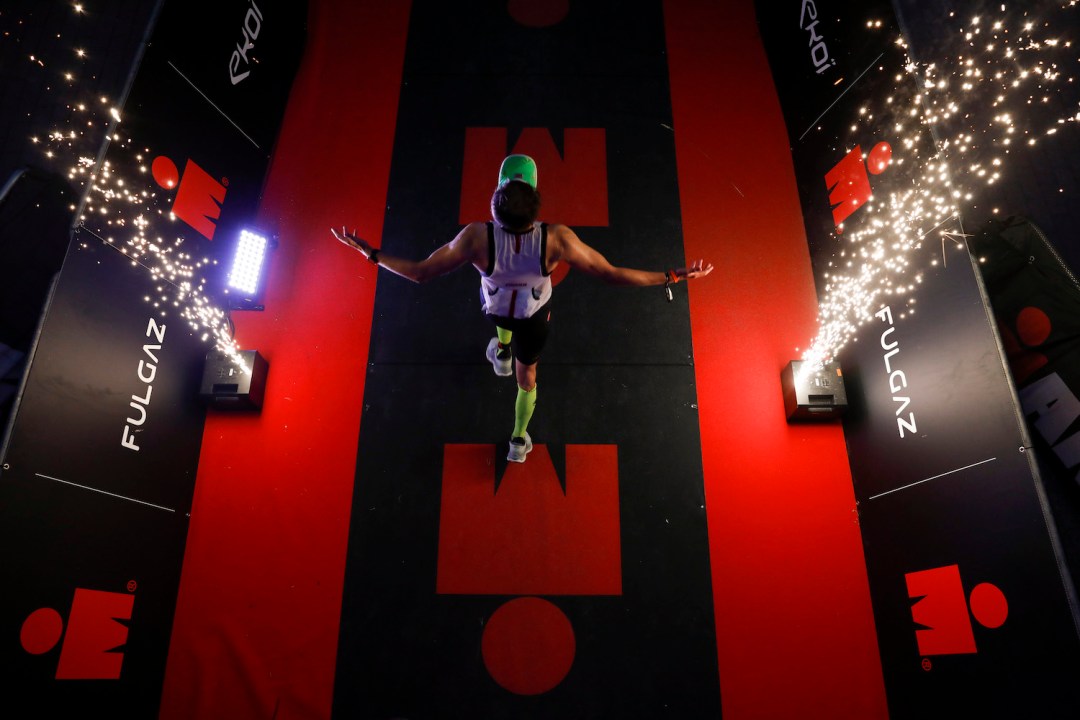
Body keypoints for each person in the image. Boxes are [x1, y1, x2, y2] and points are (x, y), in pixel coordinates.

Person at [332, 154, 713, 463]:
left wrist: (370, 253)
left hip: (496, 310)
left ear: (495, 208)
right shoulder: (556, 240)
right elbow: (610, 273)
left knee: (502, 323)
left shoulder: (476, 238)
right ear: (534, 206)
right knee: (526, 376)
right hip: (534, 321)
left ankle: (499, 351)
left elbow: (418, 273)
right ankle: (517, 440)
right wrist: (671, 277)